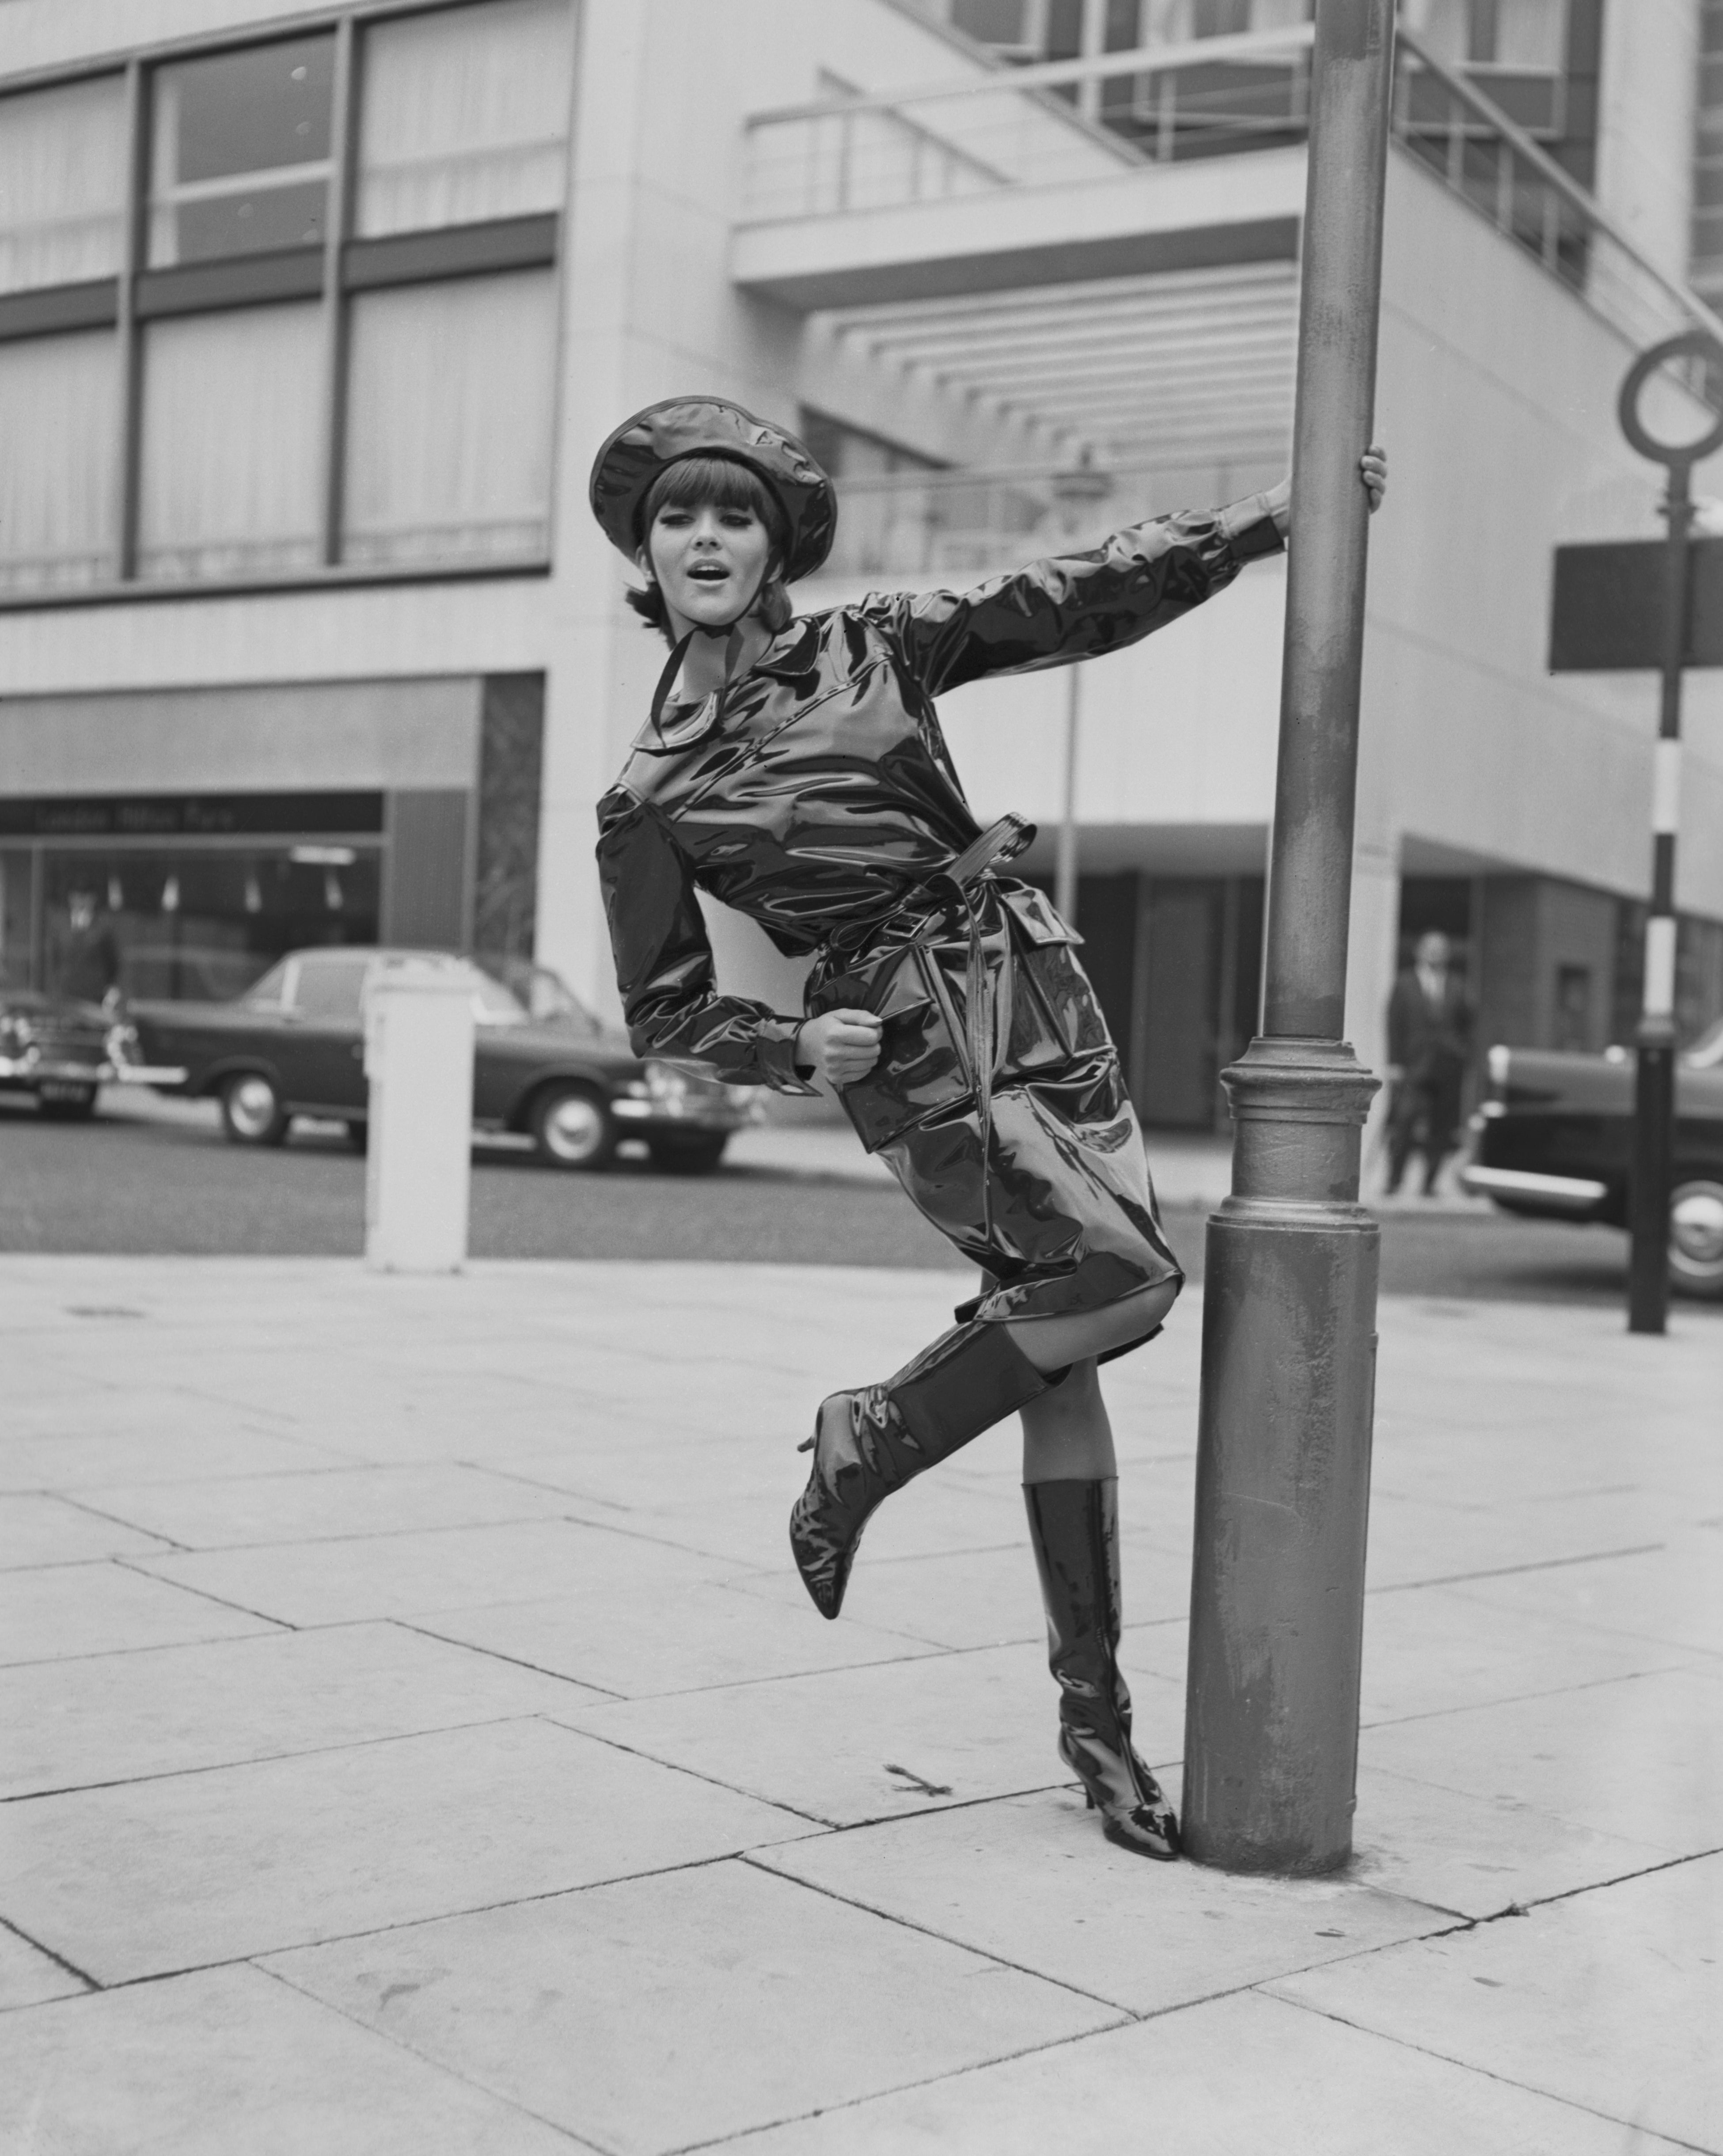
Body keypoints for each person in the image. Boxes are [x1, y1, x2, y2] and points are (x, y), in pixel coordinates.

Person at [590, 399, 1386, 1860]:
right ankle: (871, 1438)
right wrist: (785, 1045)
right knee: (1120, 1281)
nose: (706, 540)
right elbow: (666, 1013)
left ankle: (1097, 1726)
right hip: (907, 1046)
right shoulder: (646, 798)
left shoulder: (878, 642)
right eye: (678, 519)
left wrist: (1273, 522)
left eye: (735, 515)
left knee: (1059, 1345)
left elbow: (1077, 594)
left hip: (1035, 982)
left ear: (778, 542)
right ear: (645, 548)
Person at [1384, 929, 1473, 1196]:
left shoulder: (1458, 985)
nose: (1435, 954)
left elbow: (1469, 1023)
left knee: (1442, 1127)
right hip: (1413, 1065)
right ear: (1419, 952)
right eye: (1430, 948)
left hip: (1447, 1066)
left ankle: (1430, 1183)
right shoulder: (1405, 983)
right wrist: (1395, 1063)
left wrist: (1462, 1053)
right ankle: (1394, 1180)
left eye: (1441, 949)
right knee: (1404, 1121)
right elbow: (1394, 1024)